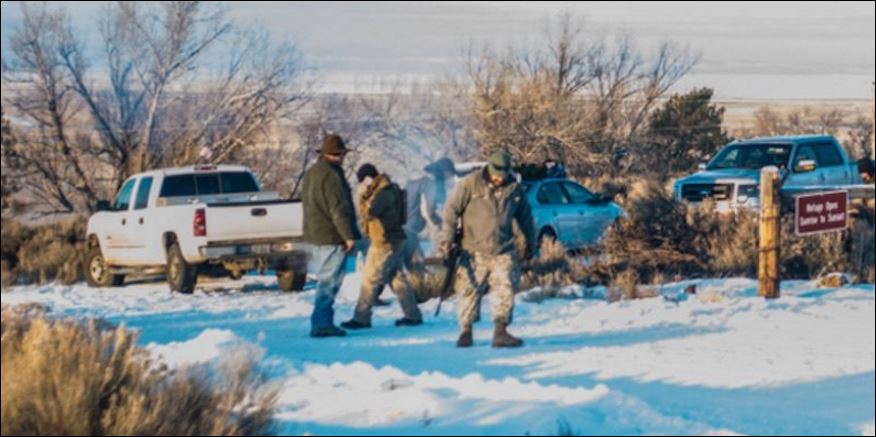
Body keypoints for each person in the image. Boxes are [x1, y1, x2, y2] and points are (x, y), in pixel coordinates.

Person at [440, 151, 536, 349]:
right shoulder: (469, 184)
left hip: (503, 249)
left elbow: (526, 218)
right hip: (473, 250)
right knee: (468, 291)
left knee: (504, 288)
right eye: (496, 174)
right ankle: (466, 332)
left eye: (503, 175)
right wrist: (447, 239)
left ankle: (500, 332)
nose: (499, 178)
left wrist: (530, 243)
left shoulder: (514, 189)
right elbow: (451, 210)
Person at [341, 164, 424, 330]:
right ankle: (412, 315)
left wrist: (361, 197)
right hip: (394, 240)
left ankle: (361, 318)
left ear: (368, 179)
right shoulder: (389, 189)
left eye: (362, 182)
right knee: (396, 277)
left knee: (369, 279)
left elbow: (368, 214)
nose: (362, 185)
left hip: (383, 242)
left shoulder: (382, 194)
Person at [301, 134, 361, 338]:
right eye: (342, 154)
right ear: (339, 154)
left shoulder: (312, 172)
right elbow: (338, 208)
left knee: (325, 279)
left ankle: (321, 321)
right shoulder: (332, 175)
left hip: (315, 233)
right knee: (329, 281)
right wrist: (348, 235)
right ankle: (322, 323)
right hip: (331, 235)